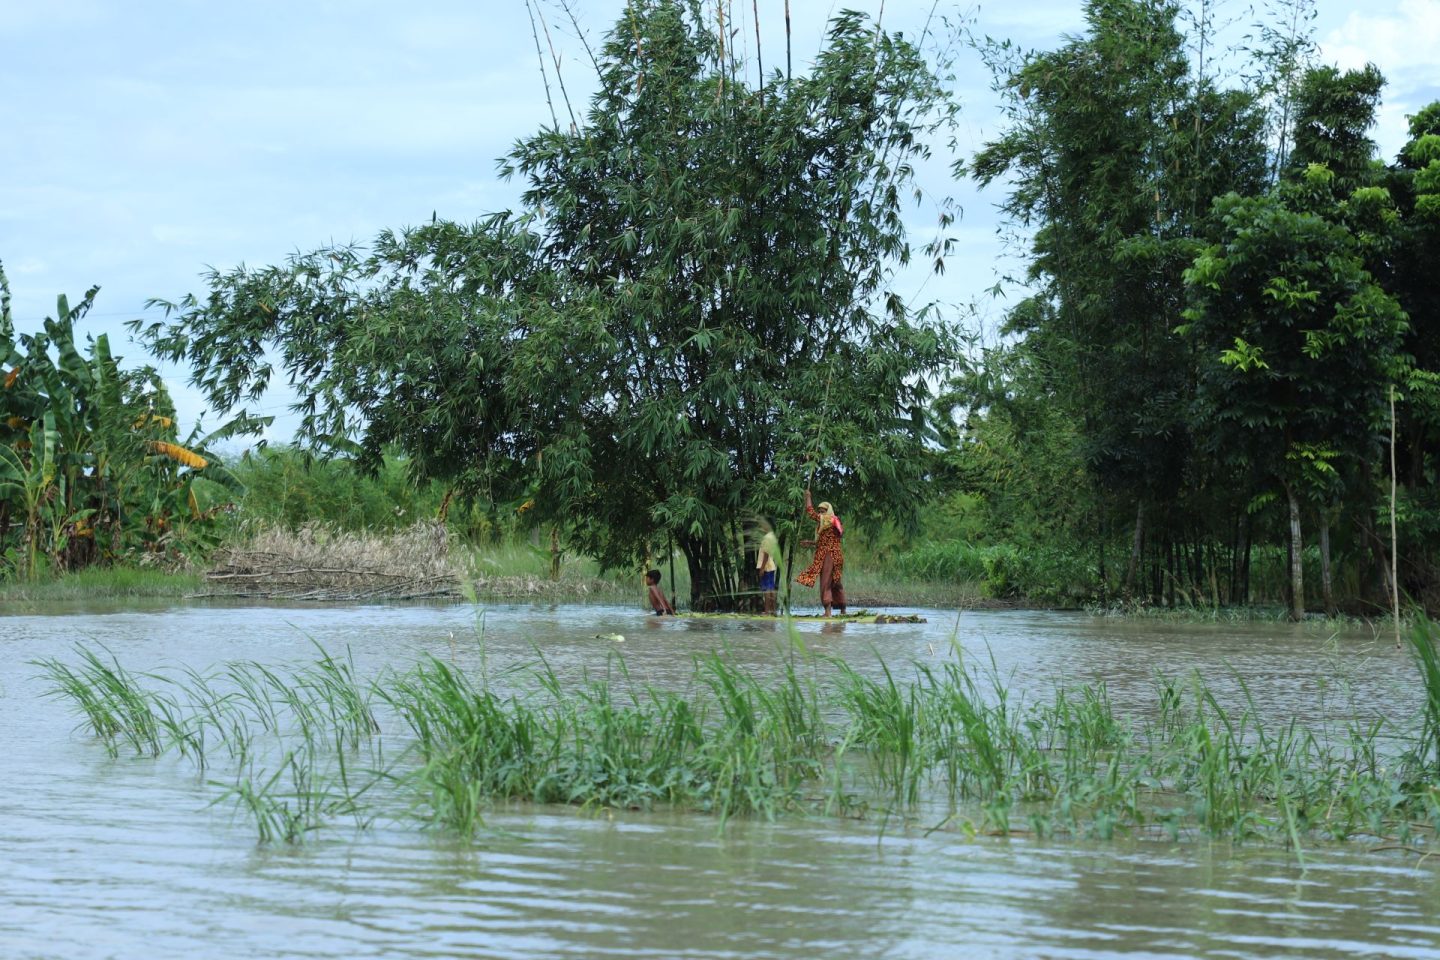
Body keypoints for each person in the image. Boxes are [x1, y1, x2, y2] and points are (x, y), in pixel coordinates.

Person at [794, 489, 847, 617]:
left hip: (829, 555)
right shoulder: (831, 523)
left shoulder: (829, 519)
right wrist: (811, 543)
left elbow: (811, 513)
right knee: (835, 582)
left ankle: (828, 611)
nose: (820, 514)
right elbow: (823, 542)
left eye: (823, 511)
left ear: (828, 511)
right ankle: (842, 609)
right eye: (820, 511)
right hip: (834, 555)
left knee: (826, 582)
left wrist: (808, 497)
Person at [756, 521, 781, 616]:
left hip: (766, 566)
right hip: (771, 565)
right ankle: (772, 610)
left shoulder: (767, 538)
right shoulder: (772, 536)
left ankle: (767, 611)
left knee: (767, 589)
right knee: (771, 589)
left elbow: (766, 554)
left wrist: (762, 568)